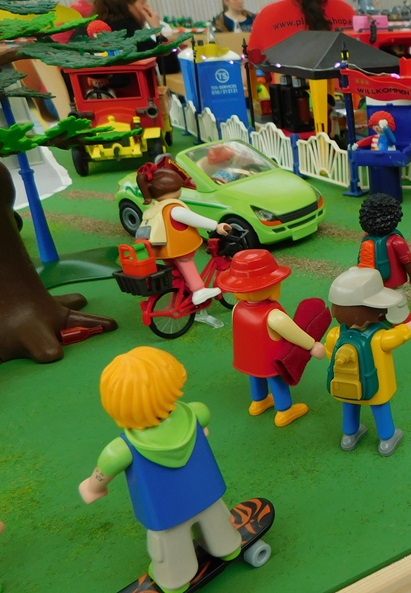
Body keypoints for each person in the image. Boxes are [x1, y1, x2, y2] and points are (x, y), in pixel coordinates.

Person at [79, 347, 242, 593]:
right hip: (207, 491)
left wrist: (93, 487)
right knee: (215, 519)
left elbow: (104, 471)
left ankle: (175, 579)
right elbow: (204, 423)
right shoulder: (195, 412)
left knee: (170, 543)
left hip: (165, 511)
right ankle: (227, 547)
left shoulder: (122, 449)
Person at [325, 267, 411, 457]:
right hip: (376, 386)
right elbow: (399, 335)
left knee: (349, 405)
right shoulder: (379, 337)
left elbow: (330, 354)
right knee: (380, 406)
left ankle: (349, 436)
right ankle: (387, 438)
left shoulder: (335, 334)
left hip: (346, 385)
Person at [215, 249, 326, 425]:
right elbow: (294, 334)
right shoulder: (273, 315)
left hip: (249, 359)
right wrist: (312, 345)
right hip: (270, 359)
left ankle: (258, 401)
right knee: (276, 380)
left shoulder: (237, 309)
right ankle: (284, 410)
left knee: (255, 376)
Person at [135, 163, 231, 305]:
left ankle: (182, 296)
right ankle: (199, 291)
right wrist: (216, 226)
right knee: (186, 263)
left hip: (162, 250)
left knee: (179, 274)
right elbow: (194, 219)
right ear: (173, 189)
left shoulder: (154, 208)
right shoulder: (174, 209)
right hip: (178, 248)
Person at [357, 193, 411, 324]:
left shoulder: (367, 238)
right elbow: (406, 260)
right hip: (393, 281)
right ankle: (399, 318)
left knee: (377, 299)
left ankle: (378, 316)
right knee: (398, 299)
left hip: (373, 281)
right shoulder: (396, 241)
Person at [90, 0, 180, 73]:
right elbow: (170, 66)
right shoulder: (131, 32)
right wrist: (157, 30)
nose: (147, 7)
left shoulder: (90, 28)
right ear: (127, 4)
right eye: (143, 2)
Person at [249, 0, 355, 54]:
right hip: (344, 89)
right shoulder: (347, 11)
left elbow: (248, 74)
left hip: (284, 90)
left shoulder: (266, 16)